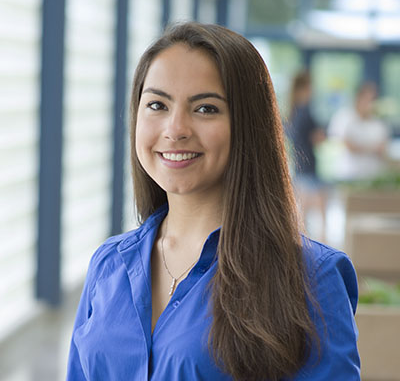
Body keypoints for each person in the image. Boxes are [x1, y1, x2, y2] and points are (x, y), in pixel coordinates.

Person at [66, 22, 360, 380]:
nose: (176, 129)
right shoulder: (108, 265)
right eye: (157, 104)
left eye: (205, 109)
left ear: (248, 126)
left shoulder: (311, 279)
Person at [286, 70, 327, 241]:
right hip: (309, 168)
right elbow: (318, 137)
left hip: (300, 167)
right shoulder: (305, 112)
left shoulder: (292, 112)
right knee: (316, 214)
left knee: (303, 215)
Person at [328, 82, 389, 181]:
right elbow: (347, 146)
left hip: (373, 177)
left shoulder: (379, 124)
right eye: (368, 99)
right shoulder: (344, 117)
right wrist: (372, 149)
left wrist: (362, 148)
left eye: (373, 99)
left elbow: (383, 149)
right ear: (358, 98)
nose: (370, 103)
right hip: (349, 176)